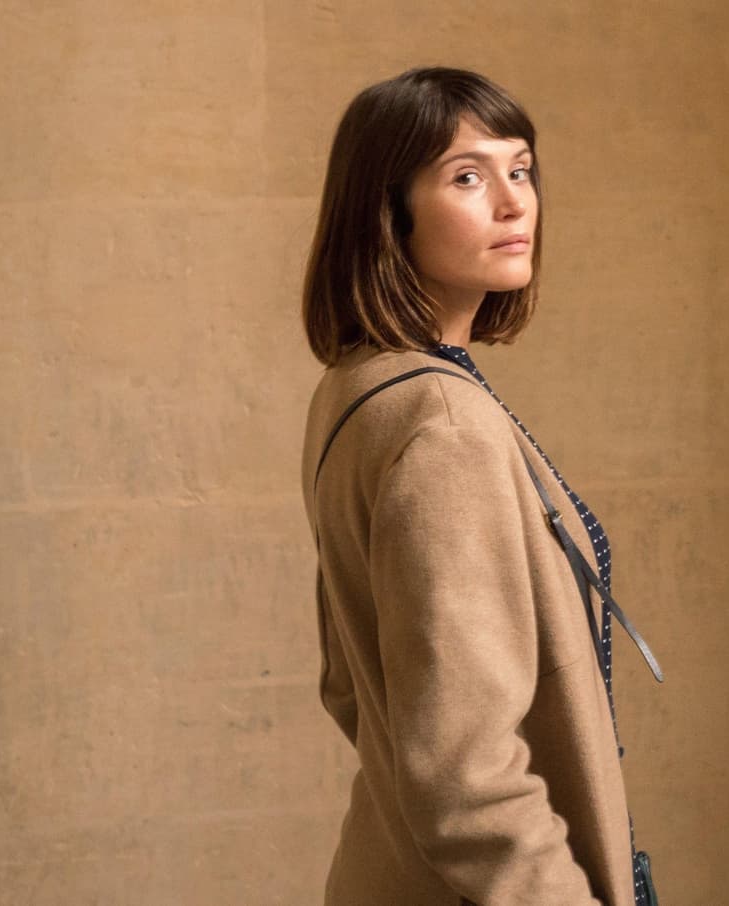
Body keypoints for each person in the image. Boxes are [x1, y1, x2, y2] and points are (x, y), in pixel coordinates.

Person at [297, 67, 658, 905]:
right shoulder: (445, 428)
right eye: (467, 177)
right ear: (387, 213)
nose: (512, 202)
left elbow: (351, 687)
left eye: (520, 169)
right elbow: (467, 782)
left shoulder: (357, 385)